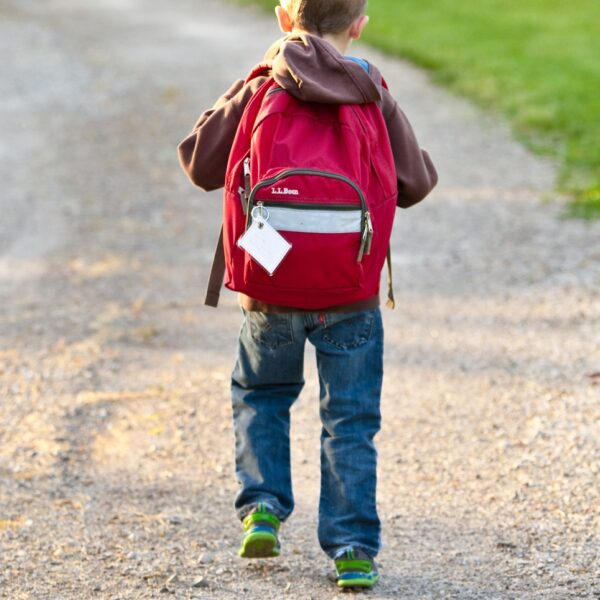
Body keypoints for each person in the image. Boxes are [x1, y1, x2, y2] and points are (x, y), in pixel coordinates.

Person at [178, 0, 438, 589]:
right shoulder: (371, 86)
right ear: (358, 26)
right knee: (349, 420)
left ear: (281, 19)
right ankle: (352, 549)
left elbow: (199, 162)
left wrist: (253, 79)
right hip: (352, 291)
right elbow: (415, 184)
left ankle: (263, 508)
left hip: (271, 289)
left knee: (261, 394)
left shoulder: (264, 82)